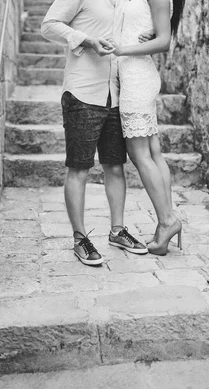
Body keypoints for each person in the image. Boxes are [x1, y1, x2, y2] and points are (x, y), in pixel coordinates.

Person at [41, 0, 148, 267]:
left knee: (115, 166)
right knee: (79, 168)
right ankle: (80, 238)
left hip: (115, 94)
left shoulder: (123, 3)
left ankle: (117, 231)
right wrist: (86, 40)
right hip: (82, 92)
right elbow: (49, 26)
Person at [108, 0, 186, 256]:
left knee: (140, 154)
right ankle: (168, 219)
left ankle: (167, 221)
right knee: (152, 153)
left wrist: (122, 50)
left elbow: (165, 41)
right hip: (132, 74)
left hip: (137, 76)